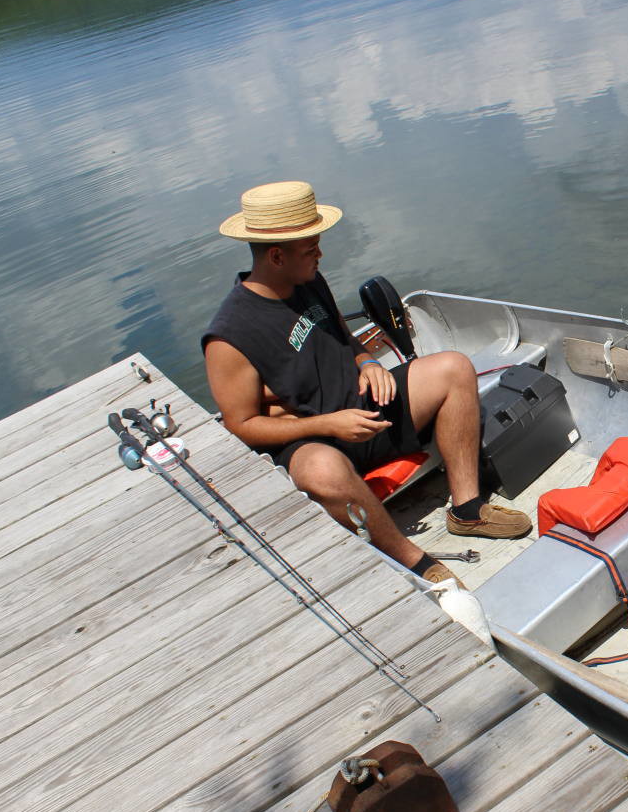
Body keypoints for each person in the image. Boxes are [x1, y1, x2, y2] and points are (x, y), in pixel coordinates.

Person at [203, 181, 531, 588]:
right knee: (321, 469)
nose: (320, 254)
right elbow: (241, 424)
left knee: (454, 368)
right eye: (311, 249)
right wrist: (328, 425)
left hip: (365, 408)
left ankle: (467, 510)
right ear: (275, 255)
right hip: (314, 438)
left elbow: (341, 332)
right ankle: (416, 563)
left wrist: (368, 361)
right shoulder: (229, 336)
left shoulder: (306, 280)